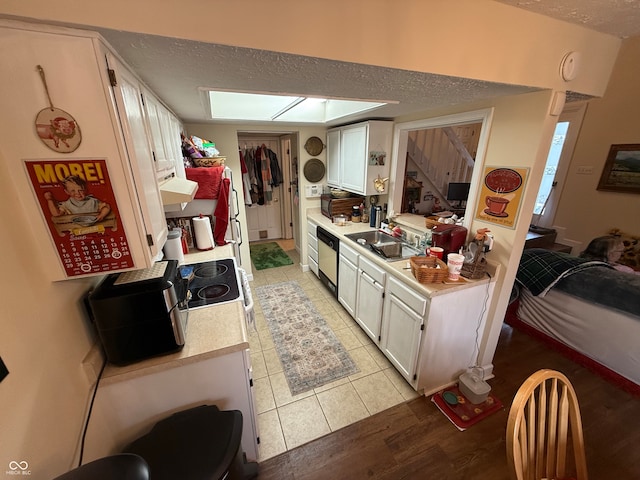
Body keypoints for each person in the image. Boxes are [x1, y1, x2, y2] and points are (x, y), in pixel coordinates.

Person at [44, 175, 111, 221]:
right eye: (73, 191)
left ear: (85, 189)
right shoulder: (66, 205)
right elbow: (57, 214)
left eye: (80, 190)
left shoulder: (93, 201)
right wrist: (49, 199)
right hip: (75, 230)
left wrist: (102, 215)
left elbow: (106, 207)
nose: (77, 193)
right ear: (67, 192)